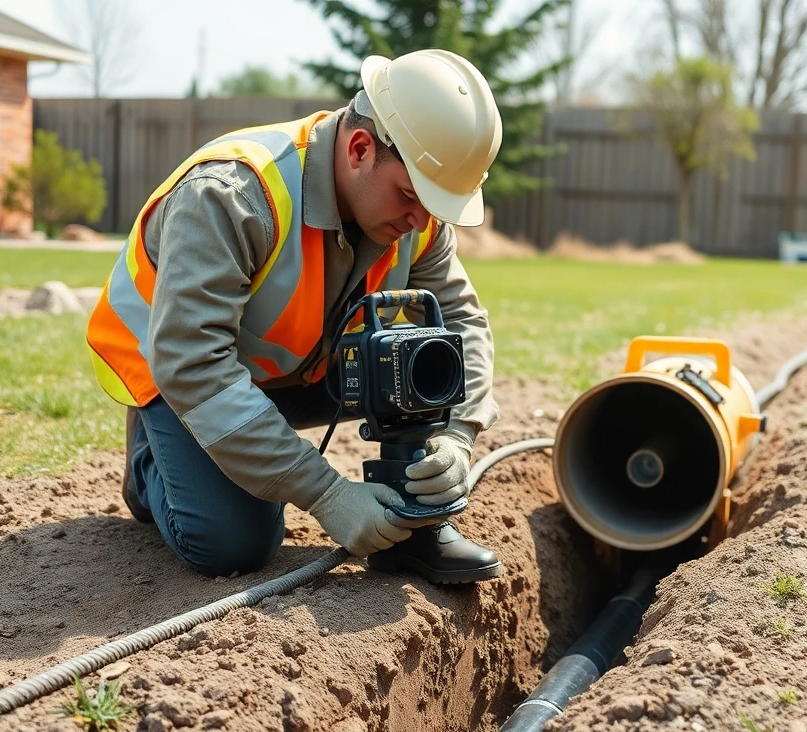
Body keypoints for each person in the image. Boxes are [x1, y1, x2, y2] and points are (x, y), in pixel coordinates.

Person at [85, 50, 504, 584]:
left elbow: (462, 321)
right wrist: (326, 493)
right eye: (411, 195)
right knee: (233, 544)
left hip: (299, 368)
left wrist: (458, 438)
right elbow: (192, 363)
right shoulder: (230, 195)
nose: (423, 219)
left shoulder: (416, 218)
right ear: (359, 149)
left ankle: (417, 527)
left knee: (417, 357)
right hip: (178, 375)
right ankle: (153, 460)